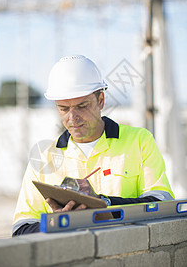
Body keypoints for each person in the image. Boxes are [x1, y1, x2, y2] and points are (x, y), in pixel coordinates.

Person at [12, 55, 174, 236]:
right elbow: (21, 228)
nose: (72, 117)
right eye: (64, 108)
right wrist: (57, 224)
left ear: (101, 100)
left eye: (82, 106)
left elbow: (161, 205)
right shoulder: (44, 158)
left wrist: (103, 204)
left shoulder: (139, 141)